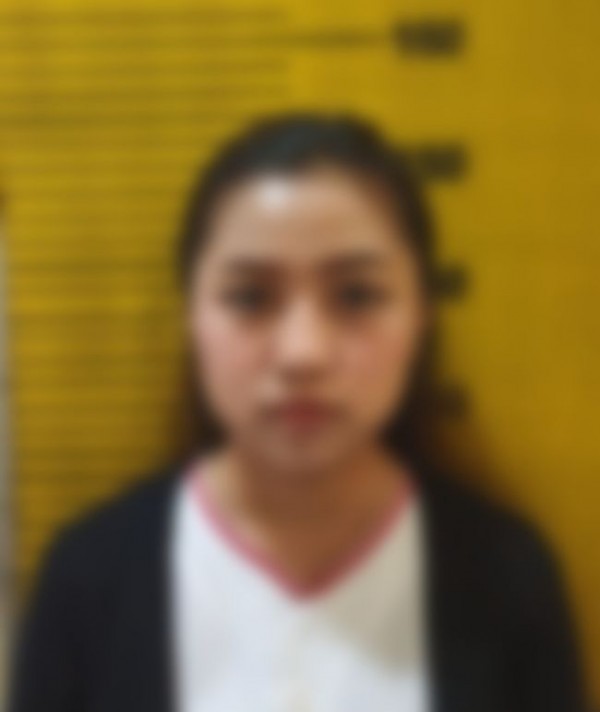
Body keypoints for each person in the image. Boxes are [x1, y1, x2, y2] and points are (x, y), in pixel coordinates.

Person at [7, 113, 589, 712]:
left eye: (356, 296)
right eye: (250, 298)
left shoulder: (508, 576)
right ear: (191, 316)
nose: (302, 352)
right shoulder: (88, 579)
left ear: (422, 315)